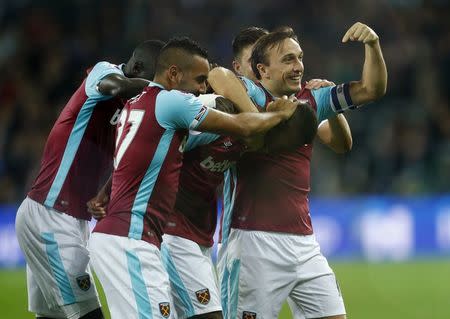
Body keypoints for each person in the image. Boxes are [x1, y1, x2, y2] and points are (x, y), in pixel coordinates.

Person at [87, 37, 298, 319]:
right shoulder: (171, 102)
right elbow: (242, 125)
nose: (202, 87)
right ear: (173, 74)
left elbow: (139, 158)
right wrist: (280, 115)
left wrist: (106, 190)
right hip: (130, 236)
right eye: (199, 79)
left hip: (135, 236)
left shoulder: (138, 104)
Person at [213, 22, 387, 319]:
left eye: (300, 57)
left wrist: (373, 44)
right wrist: (259, 118)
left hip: (304, 243)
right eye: (289, 60)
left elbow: (372, 89)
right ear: (262, 70)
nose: (298, 66)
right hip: (254, 244)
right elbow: (218, 74)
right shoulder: (252, 95)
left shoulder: (311, 99)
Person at [14, 39, 165, 319]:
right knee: (88, 314)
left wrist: (104, 192)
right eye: (156, 79)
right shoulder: (104, 72)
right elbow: (117, 86)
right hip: (50, 214)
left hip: (72, 218)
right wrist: (164, 90)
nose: (157, 90)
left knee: (53, 316)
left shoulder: (136, 109)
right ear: (138, 67)